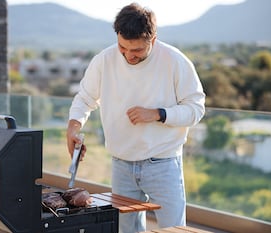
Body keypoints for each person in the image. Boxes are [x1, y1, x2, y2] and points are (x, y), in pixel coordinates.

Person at [66, 3, 205, 232]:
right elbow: (84, 99)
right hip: (122, 164)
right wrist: (73, 127)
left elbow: (196, 109)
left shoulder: (175, 61)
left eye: (137, 50)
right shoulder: (104, 60)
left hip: (163, 163)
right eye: (123, 47)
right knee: (126, 230)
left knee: (174, 229)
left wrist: (159, 114)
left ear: (153, 38)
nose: (129, 55)